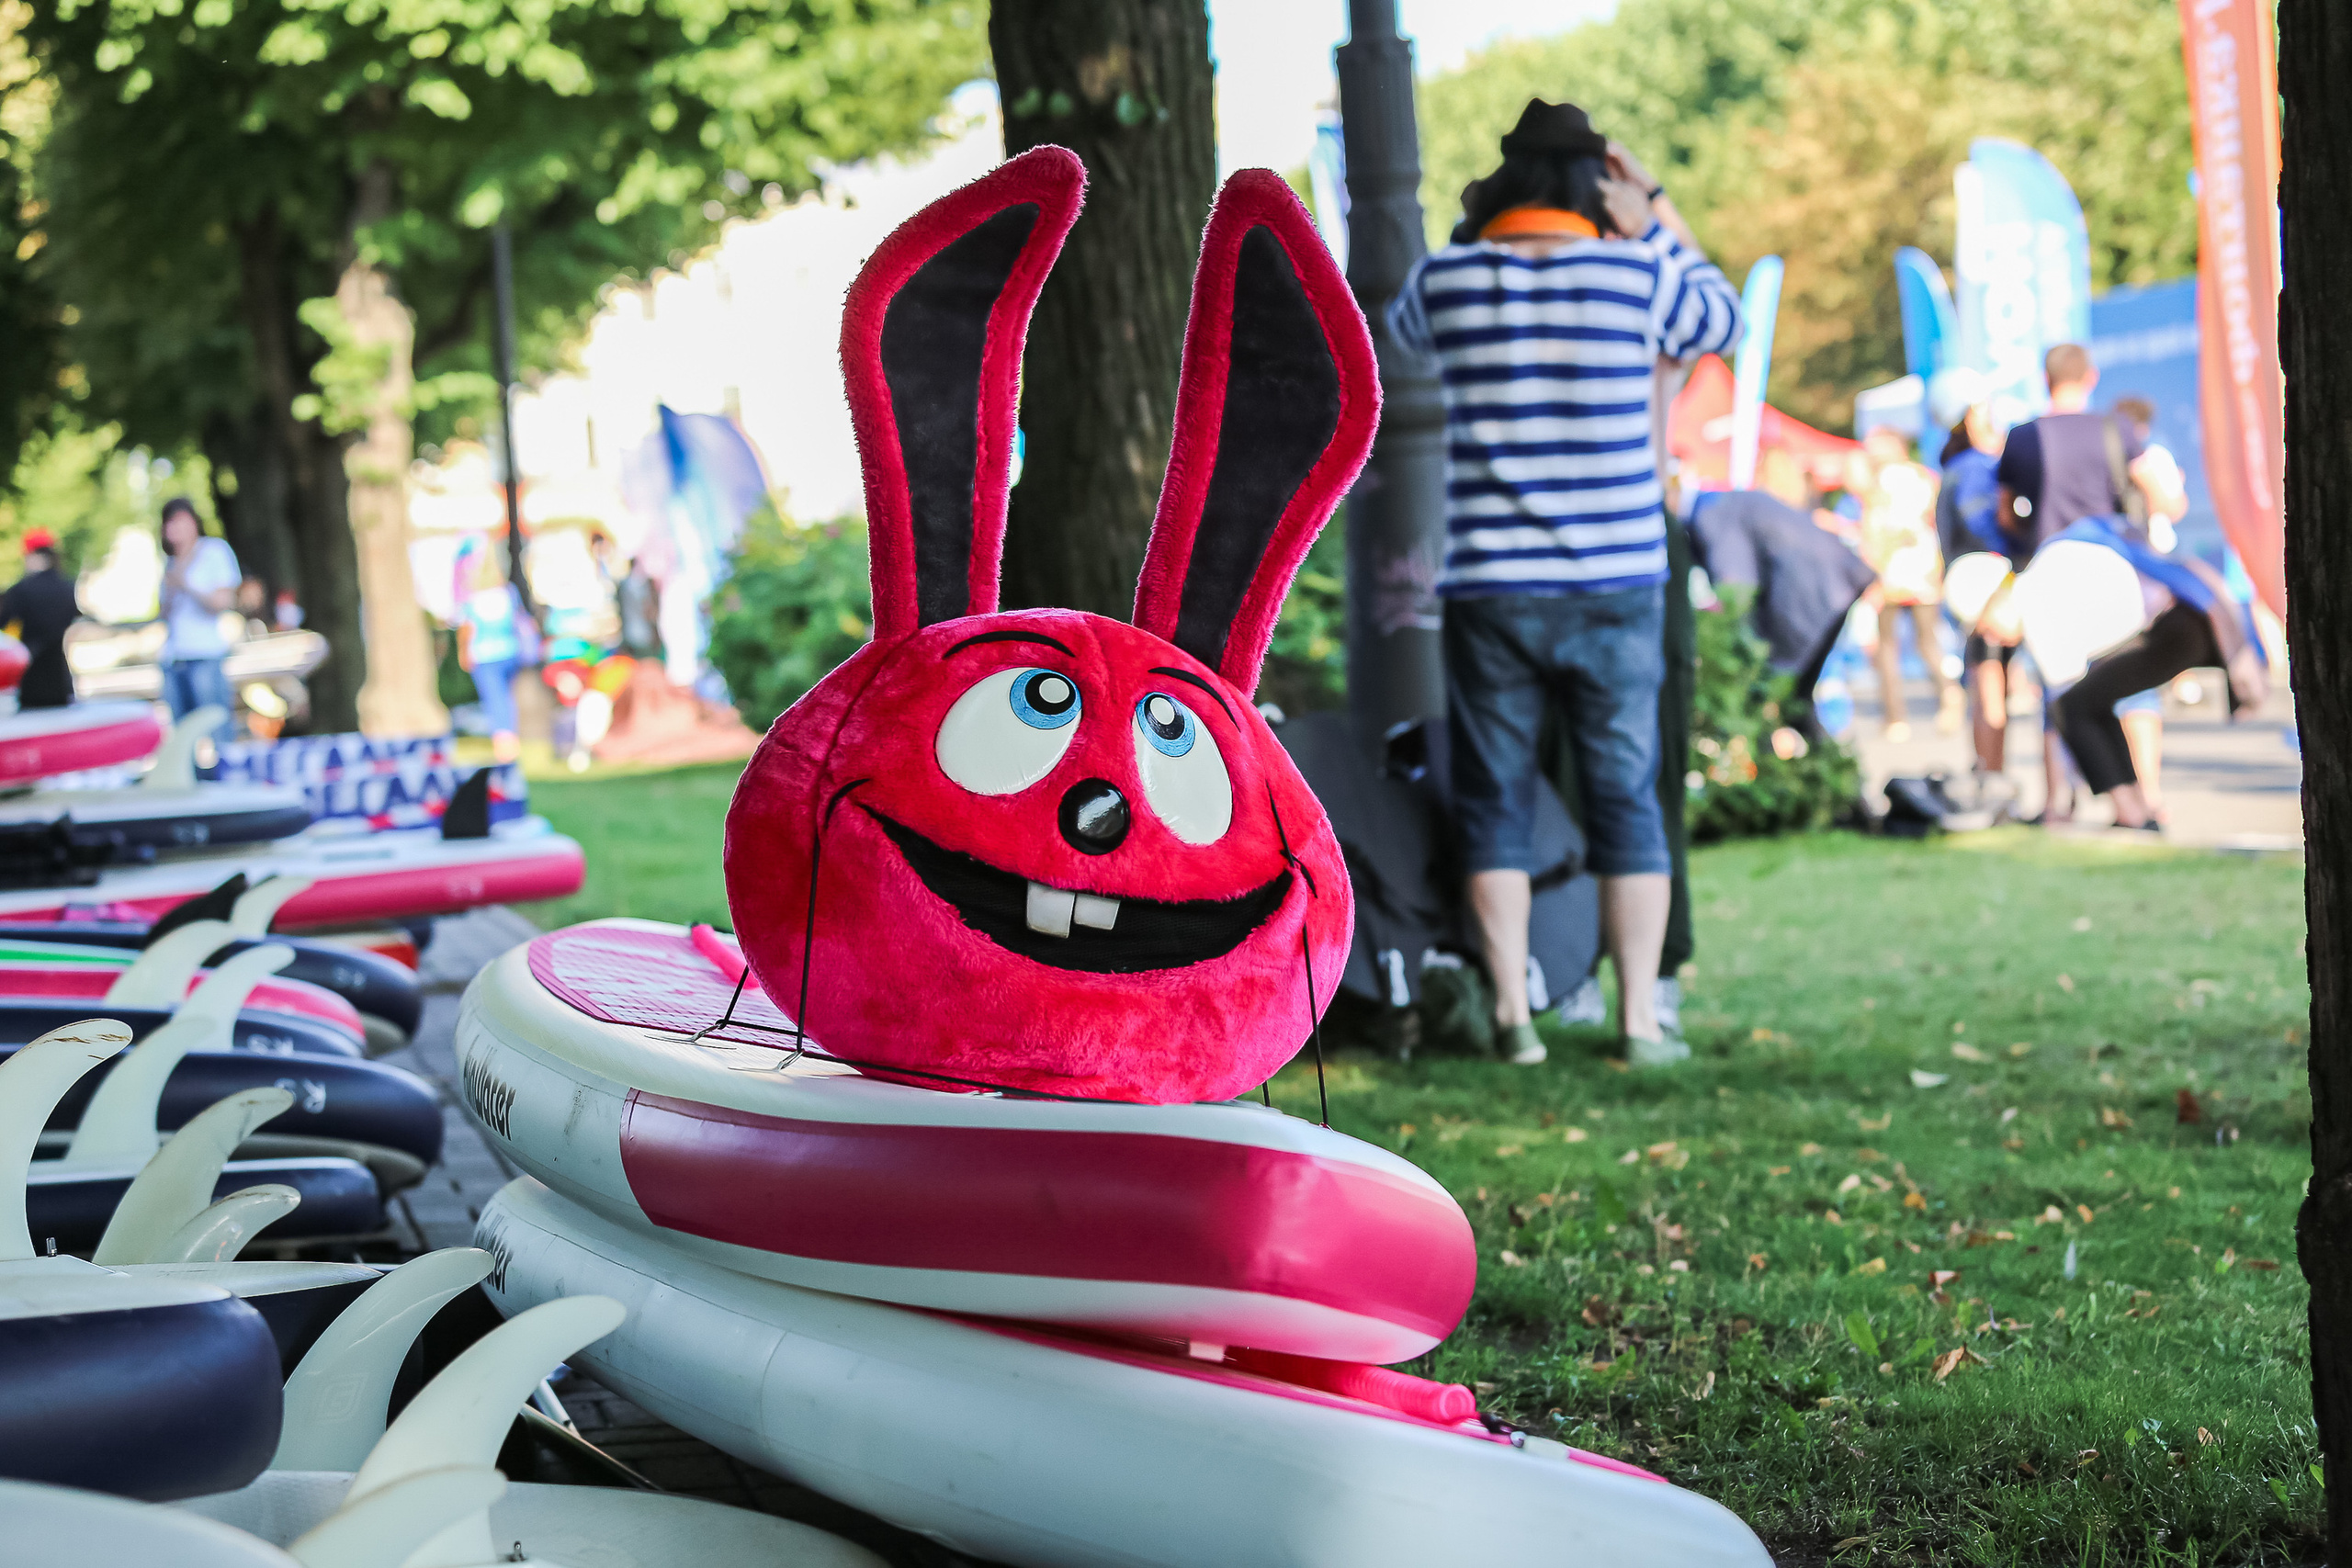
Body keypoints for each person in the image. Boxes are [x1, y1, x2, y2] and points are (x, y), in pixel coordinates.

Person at [1390, 99, 1742, 1067]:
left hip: (1490, 583)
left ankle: (1514, 1018)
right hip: (1616, 578)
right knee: (1624, 794)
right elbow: (1724, 316)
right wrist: (1655, 208)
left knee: (1493, 796)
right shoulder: (1638, 271)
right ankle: (1637, 1023)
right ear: (1598, 184)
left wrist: (1476, 232)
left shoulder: (1448, 279)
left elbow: (1402, 332)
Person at [1945, 534, 2267, 831]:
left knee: (2074, 708)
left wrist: (2058, 804)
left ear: (1997, 598)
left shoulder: (2036, 607)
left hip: (2179, 625)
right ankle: (2136, 807)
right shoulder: (2046, 574)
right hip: (2182, 619)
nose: (1994, 639)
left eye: (1987, 627)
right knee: (2090, 703)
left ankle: (2132, 812)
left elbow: (2060, 716)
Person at [1853, 431, 1959, 740]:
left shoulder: (1879, 484)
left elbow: (1873, 533)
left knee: (1887, 647)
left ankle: (1896, 718)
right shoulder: (1925, 479)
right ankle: (1948, 694)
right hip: (1924, 571)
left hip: (1889, 574)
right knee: (1927, 642)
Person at [157, 497, 241, 729]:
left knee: (215, 728)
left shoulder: (214, 551)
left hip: (205, 654)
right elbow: (164, 615)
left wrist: (186, 584)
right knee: (182, 733)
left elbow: (222, 601)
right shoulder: (169, 563)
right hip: (173, 656)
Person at [455, 537, 535, 764]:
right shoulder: (507, 593)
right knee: (505, 698)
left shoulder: (472, 599)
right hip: (510, 652)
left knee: (495, 699)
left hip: (485, 655)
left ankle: (505, 745)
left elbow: (467, 629)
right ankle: (509, 739)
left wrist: (464, 652)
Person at [0, 530, 80, 709]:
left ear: (30, 555)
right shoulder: (67, 587)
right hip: (61, 680)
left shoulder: (20, 590)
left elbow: (3, 623)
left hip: (30, 678)